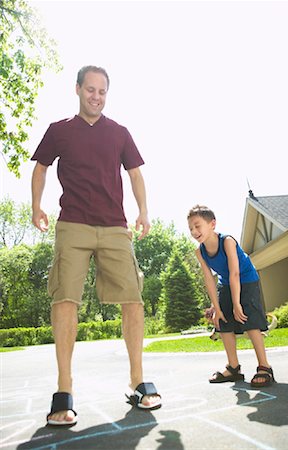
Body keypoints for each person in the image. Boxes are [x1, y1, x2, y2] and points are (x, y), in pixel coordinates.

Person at [31, 65, 161, 426]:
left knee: (133, 299)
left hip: (115, 228)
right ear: (77, 90)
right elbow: (40, 168)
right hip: (72, 225)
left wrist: (144, 212)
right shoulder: (59, 131)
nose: (96, 97)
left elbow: (135, 173)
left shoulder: (119, 133)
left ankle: (137, 381)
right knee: (65, 299)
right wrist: (35, 205)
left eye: (102, 91)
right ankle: (64, 388)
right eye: (90, 90)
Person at [187, 205, 275, 387]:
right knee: (223, 323)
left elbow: (235, 272)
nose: (194, 231)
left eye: (197, 226)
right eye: (191, 228)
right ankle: (234, 368)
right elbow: (209, 280)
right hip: (226, 283)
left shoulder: (227, 241)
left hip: (246, 280)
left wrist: (237, 303)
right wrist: (217, 308)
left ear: (212, 224)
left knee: (248, 321)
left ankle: (264, 367)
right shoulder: (200, 251)